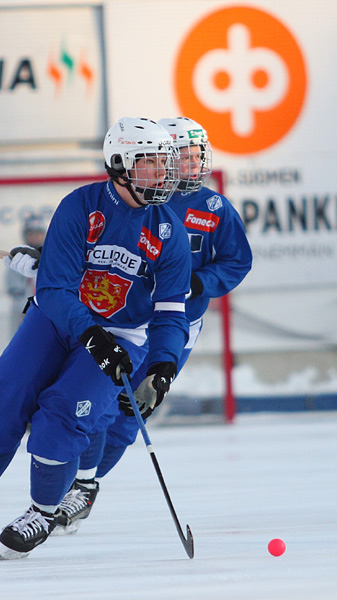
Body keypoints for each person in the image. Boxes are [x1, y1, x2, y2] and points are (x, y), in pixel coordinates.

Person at [0, 117, 191, 560]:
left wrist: (164, 363)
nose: (163, 176)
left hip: (120, 334)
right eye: (150, 165)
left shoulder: (170, 232)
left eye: (164, 166)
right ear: (118, 164)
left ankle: (42, 511)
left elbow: (171, 311)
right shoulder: (80, 207)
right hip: (56, 320)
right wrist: (91, 334)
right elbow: (53, 290)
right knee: (5, 399)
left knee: (64, 415)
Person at [51, 117, 253, 534]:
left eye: (198, 156)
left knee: (135, 410)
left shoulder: (214, 208)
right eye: (184, 156)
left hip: (175, 324)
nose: (193, 164)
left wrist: (200, 282)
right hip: (127, 320)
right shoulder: (136, 199)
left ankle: (89, 486)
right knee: (102, 402)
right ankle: (71, 482)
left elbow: (238, 260)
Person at [4, 215, 46, 336]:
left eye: (38, 233)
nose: (35, 237)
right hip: (25, 314)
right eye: (31, 234)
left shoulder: (52, 256)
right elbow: (15, 291)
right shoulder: (19, 259)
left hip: (48, 313)